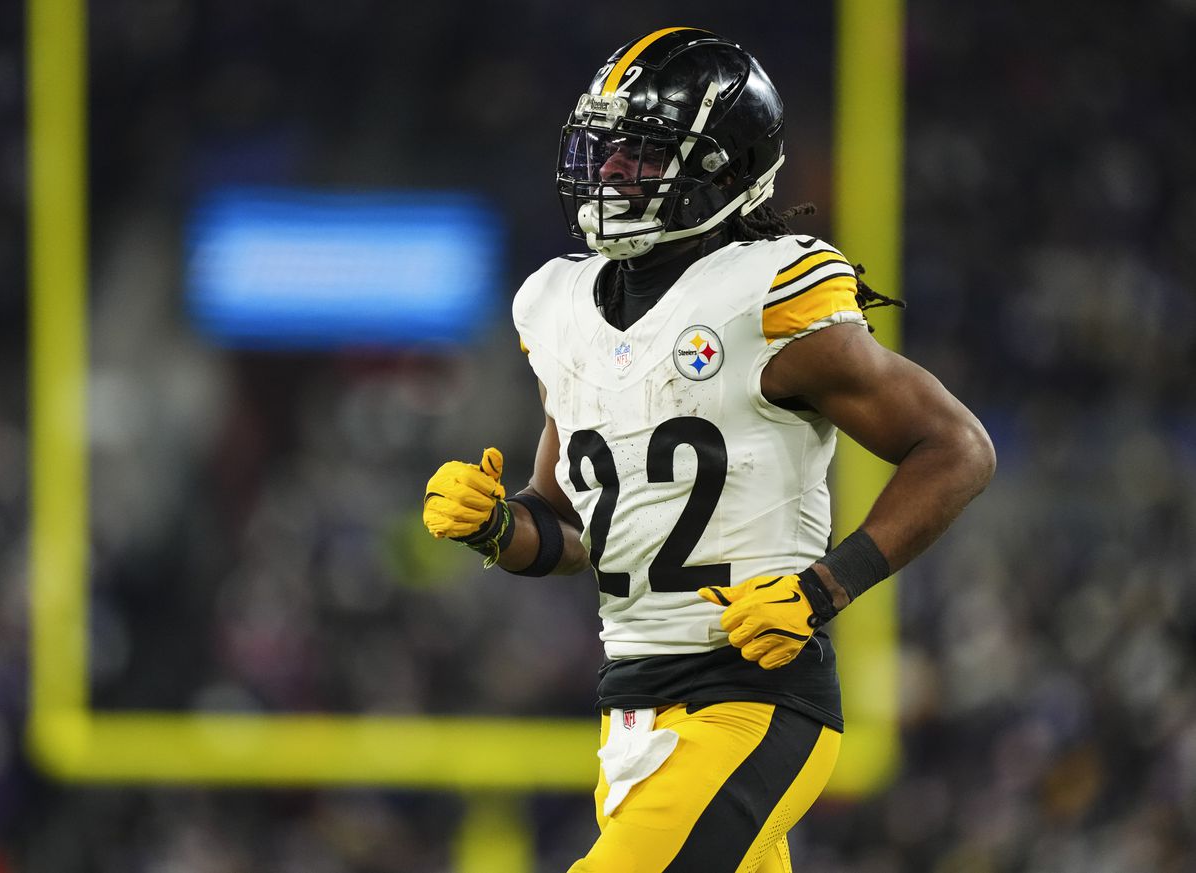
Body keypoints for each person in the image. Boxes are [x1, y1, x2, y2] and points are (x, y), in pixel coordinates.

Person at [422, 26, 995, 873]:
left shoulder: (768, 296)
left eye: (642, 157)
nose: (611, 173)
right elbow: (574, 530)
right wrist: (501, 526)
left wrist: (825, 587)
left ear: (723, 171)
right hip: (633, 713)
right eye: (607, 151)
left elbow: (957, 446)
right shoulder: (557, 304)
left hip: (751, 698)